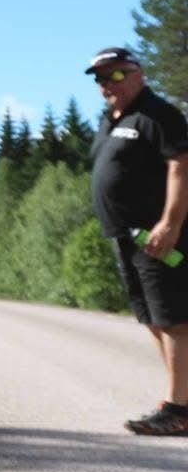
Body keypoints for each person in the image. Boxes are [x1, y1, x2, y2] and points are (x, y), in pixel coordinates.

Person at [83, 47, 188, 435]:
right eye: (100, 78)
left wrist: (170, 223)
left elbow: (181, 166)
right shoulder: (111, 120)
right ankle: (179, 399)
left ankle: (179, 410)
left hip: (157, 234)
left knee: (174, 319)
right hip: (126, 237)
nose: (108, 84)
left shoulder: (157, 114)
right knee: (154, 320)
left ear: (138, 73)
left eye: (116, 74)